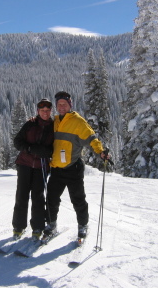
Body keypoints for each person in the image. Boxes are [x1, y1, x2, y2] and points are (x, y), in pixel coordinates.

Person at [44, 91, 109, 239]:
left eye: (64, 104)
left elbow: (92, 138)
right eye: (59, 104)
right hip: (56, 169)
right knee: (51, 199)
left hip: (73, 168)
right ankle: (51, 224)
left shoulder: (78, 122)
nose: (61, 107)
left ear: (70, 105)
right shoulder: (54, 122)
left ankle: (82, 226)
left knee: (78, 199)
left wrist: (101, 151)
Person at [12, 98, 54, 240]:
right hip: (25, 164)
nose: (45, 113)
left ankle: (37, 227)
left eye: (47, 111)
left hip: (41, 166)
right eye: (42, 110)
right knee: (21, 195)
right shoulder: (30, 124)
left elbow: (56, 146)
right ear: (38, 111)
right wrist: (30, 148)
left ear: (50, 111)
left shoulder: (54, 126)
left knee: (38, 197)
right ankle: (18, 226)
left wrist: (47, 152)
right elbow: (17, 142)